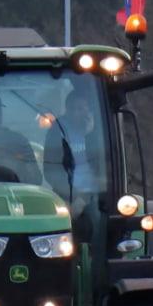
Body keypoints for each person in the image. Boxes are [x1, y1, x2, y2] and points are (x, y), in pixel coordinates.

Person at [43, 87, 104, 216]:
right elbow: (51, 170)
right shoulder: (58, 131)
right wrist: (74, 197)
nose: (76, 113)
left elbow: (103, 166)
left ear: (89, 111)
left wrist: (89, 135)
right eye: (72, 109)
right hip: (67, 195)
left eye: (81, 109)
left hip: (97, 195)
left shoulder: (101, 131)